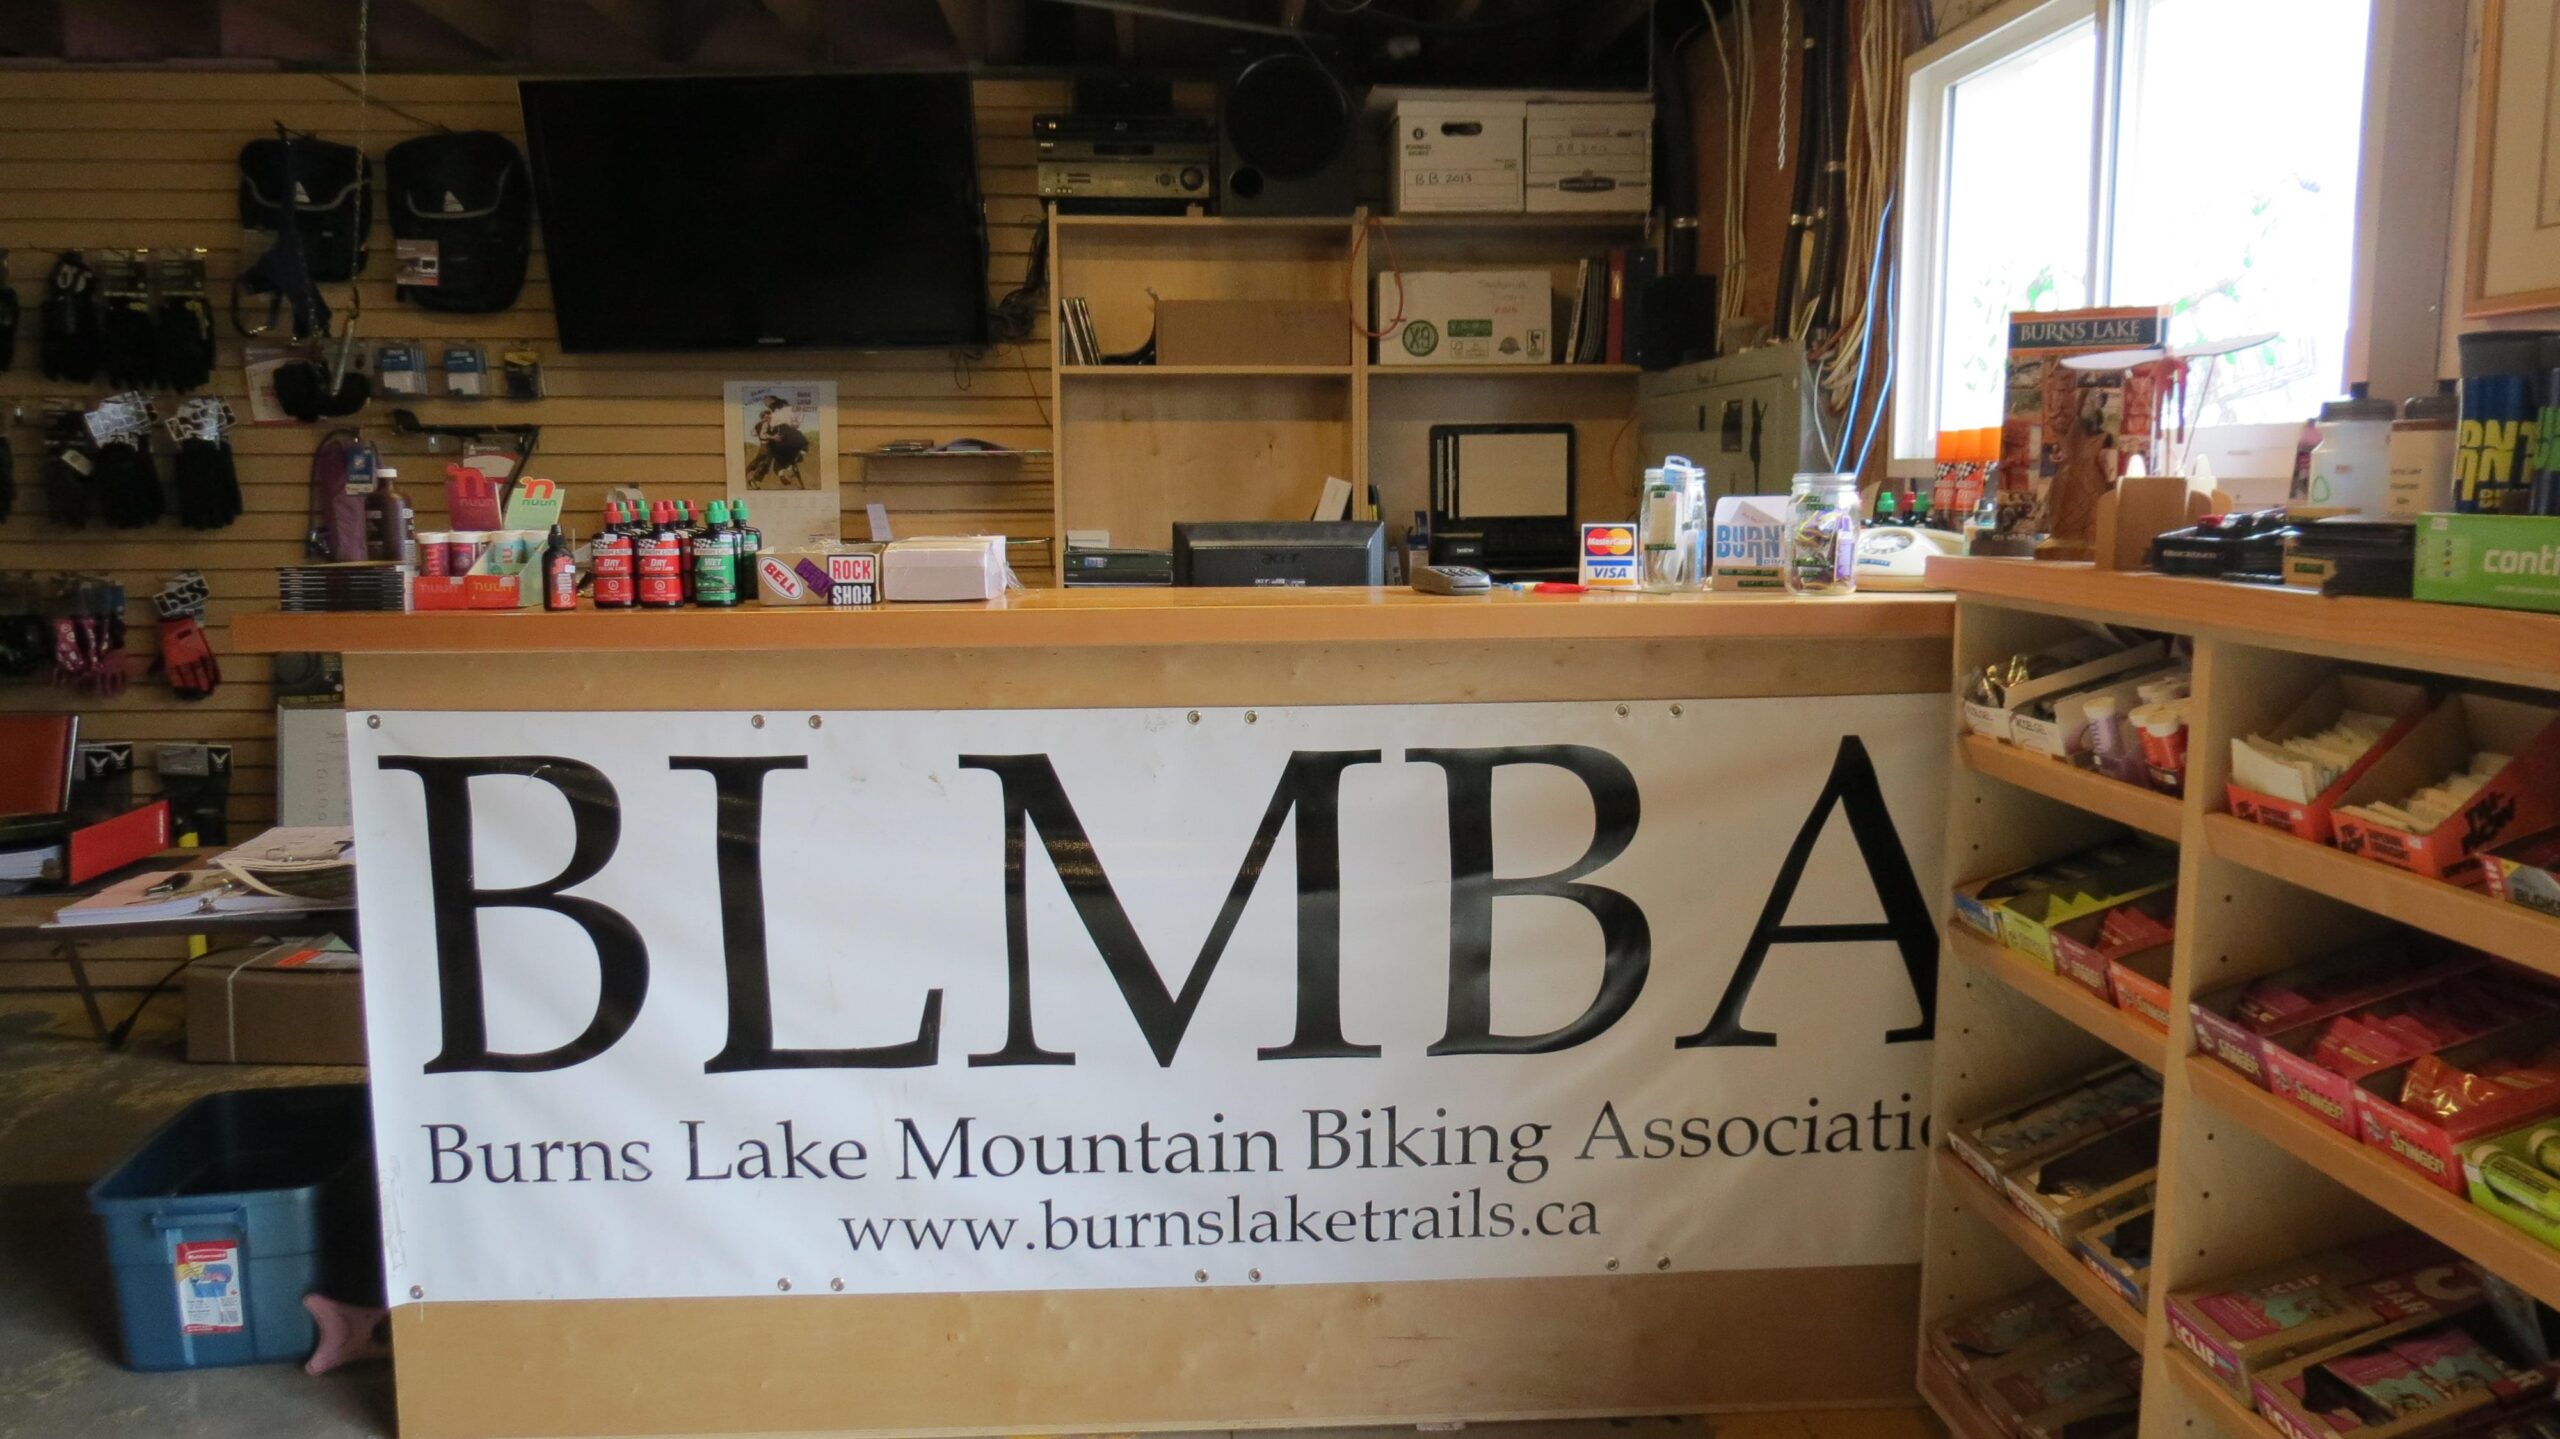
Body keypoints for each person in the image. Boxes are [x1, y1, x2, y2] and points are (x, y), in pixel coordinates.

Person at [746, 393, 811, 489]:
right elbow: (796, 424)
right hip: (790, 435)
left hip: (777, 437)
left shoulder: (772, 416)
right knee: (802, 445)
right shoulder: (789, 409)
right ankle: (791, 466)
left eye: (767, 403)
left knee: (772, 459)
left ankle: (778, 473)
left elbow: (758, 433)